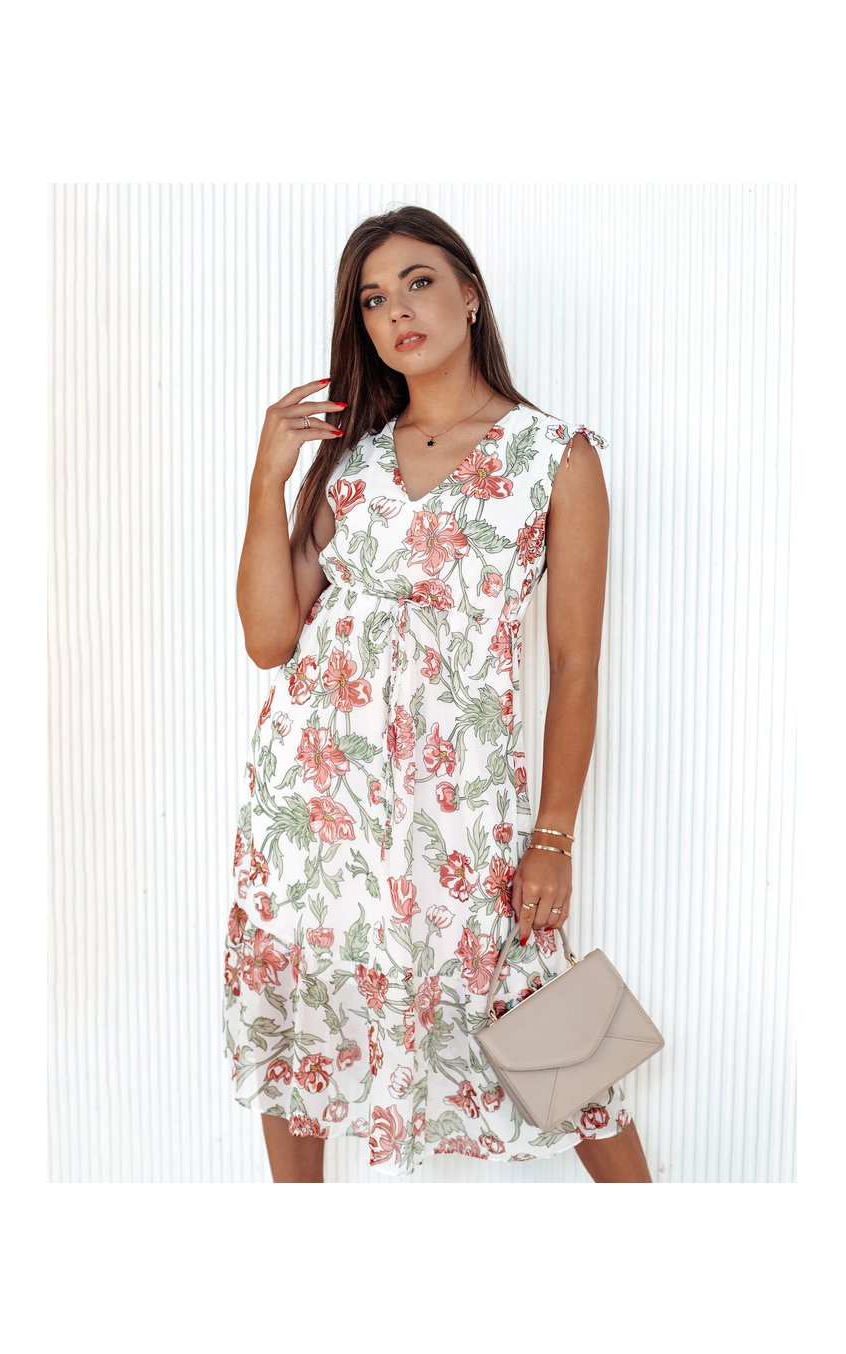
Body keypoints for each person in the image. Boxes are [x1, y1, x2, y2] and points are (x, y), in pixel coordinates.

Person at [222, 205, 652, 1182]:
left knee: (538, 1005)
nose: (397, 312)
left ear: (469, 294)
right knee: (300, 1003)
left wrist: (552, 837)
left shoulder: (556, 456)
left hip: (459, 801)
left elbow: (576, 665)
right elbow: (268, 638)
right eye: (373, 300)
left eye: (418, 282)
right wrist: (266, 479)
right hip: (311, 797)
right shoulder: (352, 457)